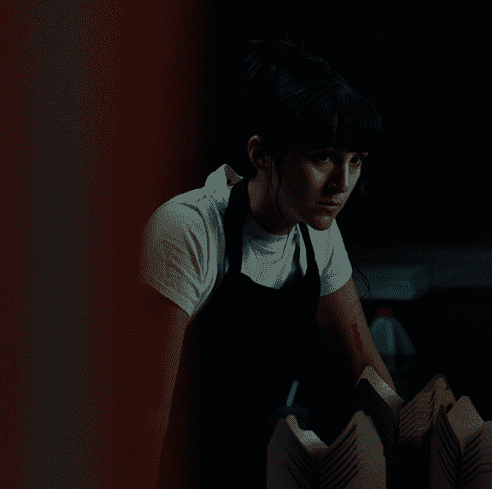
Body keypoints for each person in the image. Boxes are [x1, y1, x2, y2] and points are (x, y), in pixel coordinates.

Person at [140, 36, 397, 488]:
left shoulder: (317, 232)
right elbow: (144, 422)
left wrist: (427, 447)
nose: (342, 183)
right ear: (261, 154)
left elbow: (365, 371)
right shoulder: (189, 230)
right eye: (323, 157)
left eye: (356, 161)